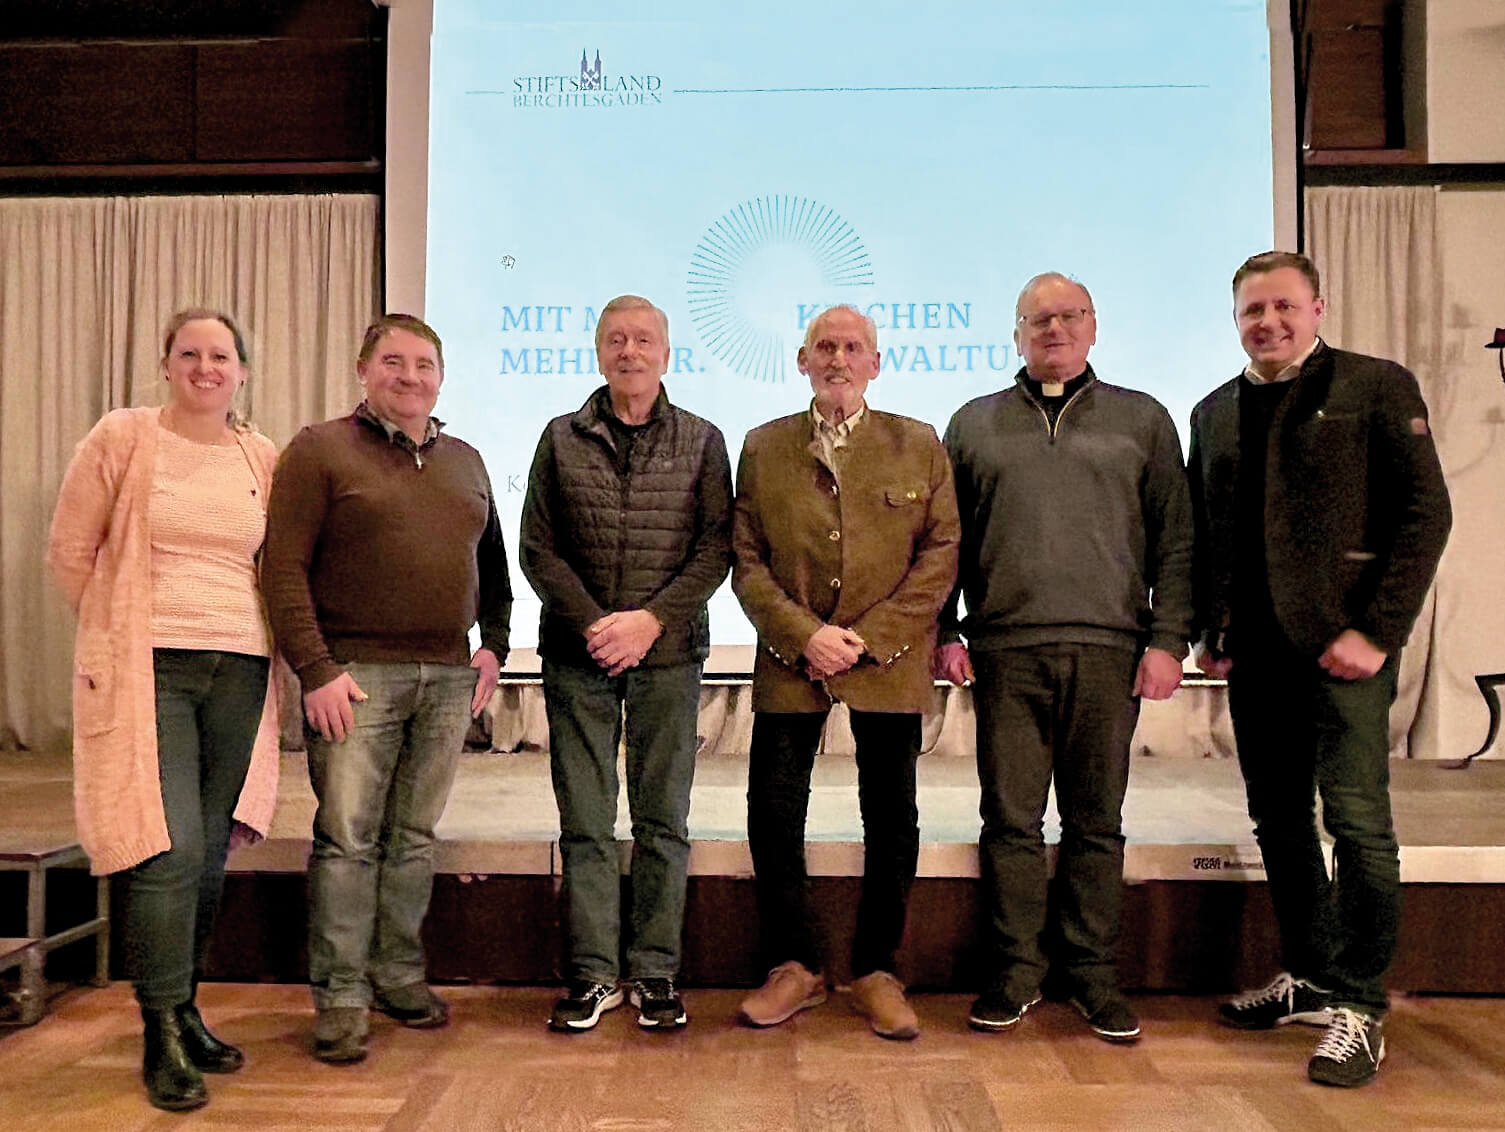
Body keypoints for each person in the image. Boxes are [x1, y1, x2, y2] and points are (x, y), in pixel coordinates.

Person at [1190, 251, 1451, 1087]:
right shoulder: (1213, 411)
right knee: (1278, 820)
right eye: (1250, 310)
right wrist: (1209, 626)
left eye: (1282, 307)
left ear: (1317, 308)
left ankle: (1360, 1004)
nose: (1266, 322)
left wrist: (1376, 631)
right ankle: (1308, 973)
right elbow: (1212, 532)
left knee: (1357, 822)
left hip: (1347, 650)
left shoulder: (1376, 386)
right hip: (1255, 653)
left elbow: (1425, 514)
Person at [935, 272, 1193, 1043]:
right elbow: (944, 545)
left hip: (1109, 651)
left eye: (1068, 316)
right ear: (1015, 333)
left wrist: (1168, 640)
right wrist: (944, 632)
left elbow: (1176, 539)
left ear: (1092, 327)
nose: (1054, 329)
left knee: (1094, 823)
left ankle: (1091, 976)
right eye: (1037, 319)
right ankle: (1013, 973)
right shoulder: (972, 424)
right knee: (1009, 821)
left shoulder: (1142, 420)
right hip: (1005, 650)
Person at [46, 309, 280, 1112]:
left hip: (241, 668)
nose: (205, 367)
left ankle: (185, 1007)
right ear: (167, 364)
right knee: (166, 849)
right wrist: (111, 640)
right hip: (153, 671)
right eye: (191, 353)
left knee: (209, 849)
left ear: (242, 371)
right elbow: (71, 550)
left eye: (221, 355)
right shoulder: (124, 438)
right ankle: (157, 1029)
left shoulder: (262, 456)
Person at [261, 314, 511, 1064]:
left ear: (442, 377)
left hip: (446, 678)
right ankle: (340, 998)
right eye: (394, 362)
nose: (410, 376)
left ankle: (397, 974)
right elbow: (282, 568)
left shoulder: (466, 459)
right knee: (346, 843)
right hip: (354, 679)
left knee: (411, 840)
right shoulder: (318, 450)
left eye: (424, 364)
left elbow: (494, 574)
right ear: (363, 370)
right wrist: (316, 669)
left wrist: (492, 648)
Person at [731, 305, 959, 1039]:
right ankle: (793, 966)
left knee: (891, 818)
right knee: (772, 812)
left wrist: (865, 638)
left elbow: (940, 553)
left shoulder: (916, 443)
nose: (837, 358)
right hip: (790, 660)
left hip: (885, 662)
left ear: (875, 364)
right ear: (801, 362)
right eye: (823, 347)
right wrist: (805, 636)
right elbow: (745, 559)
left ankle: (877, 970)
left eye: (852, 347)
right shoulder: (763, 447)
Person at [521, 294, 731, 1033]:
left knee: (660, 820)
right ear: (599, 352)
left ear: (666, 353)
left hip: (668, 654)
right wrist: (596, 626)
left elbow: (715, 550)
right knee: (583, 821)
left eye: (643, 339)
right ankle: (591, 975)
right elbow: (537, 549)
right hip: (577, 656)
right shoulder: (559, 437)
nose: (629, 351)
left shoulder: (702, 441)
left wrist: (647, 622)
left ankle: (654, 971)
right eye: (616, 339)